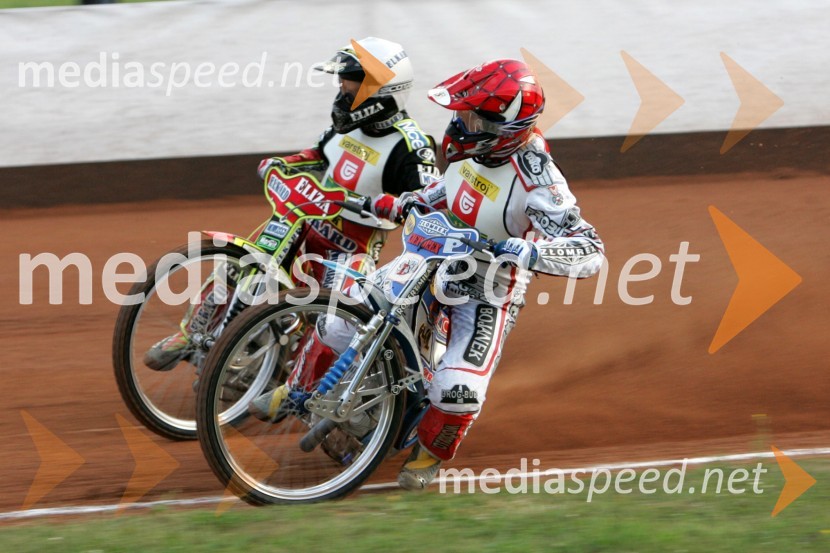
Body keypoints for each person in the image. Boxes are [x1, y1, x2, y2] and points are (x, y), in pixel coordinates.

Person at [373, 59, 606, 489]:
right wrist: (408, 201)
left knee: (458, 392)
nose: (460, 126)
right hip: (429, 258)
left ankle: (428, 453)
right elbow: (449, 188)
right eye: (461, 115)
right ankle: (293, 388)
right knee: (346, 313)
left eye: (472, 118)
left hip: (488, 288)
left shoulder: (539, 182)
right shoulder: (474, 152)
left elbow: (591, 250)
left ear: (506, 129)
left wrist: (528, 251)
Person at [143, 37, 439, 373]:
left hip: (349, 250)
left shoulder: (411, 145)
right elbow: (316, 156)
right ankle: (190, 334)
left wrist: (388, 206)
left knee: (330, 322)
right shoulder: (348, 124)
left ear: (379, 91)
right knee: (241, 264)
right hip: (304, 222)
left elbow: (426, 206)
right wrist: (284, 163)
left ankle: (292, 390)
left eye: (350, 82)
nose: (341, 87)